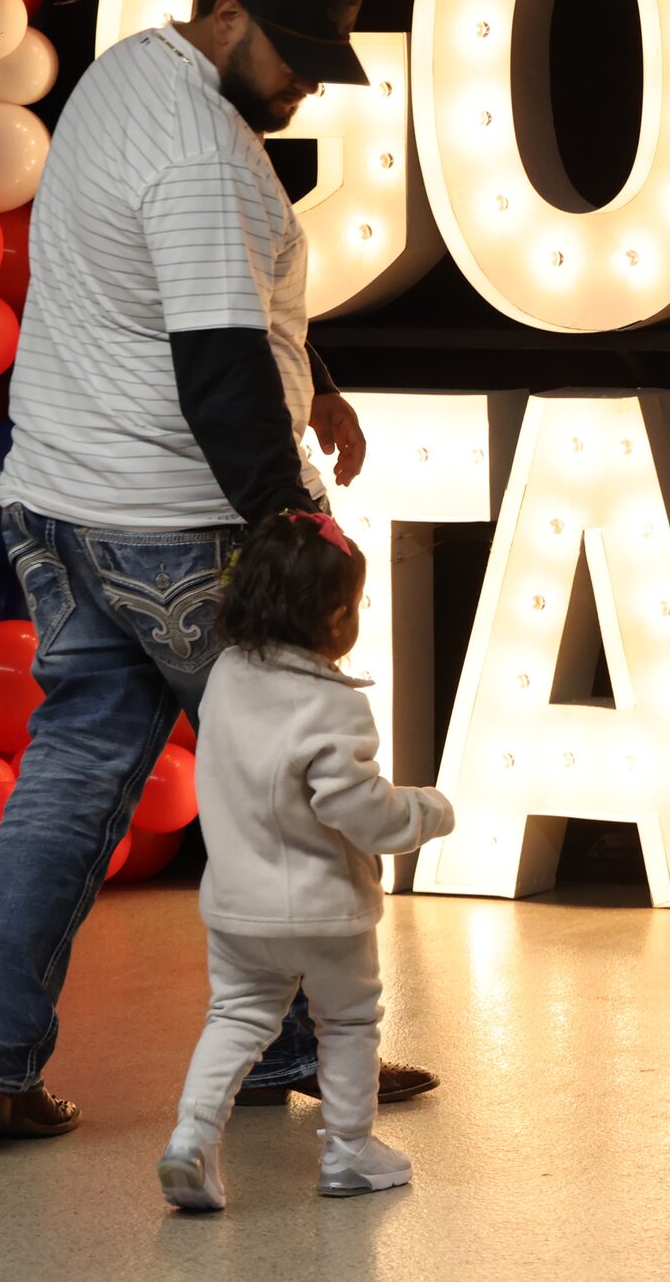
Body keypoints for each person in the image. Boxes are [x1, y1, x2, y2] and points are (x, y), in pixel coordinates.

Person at [0, 0, 429, 1138]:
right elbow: (213, 365)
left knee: (65, 786)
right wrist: (298, 522)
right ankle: (296, 1053)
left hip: (59, 506)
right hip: (178, 529)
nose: (307, 80)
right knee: (293, 788)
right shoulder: (209, 153)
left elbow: (186, 296)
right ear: (224, 16)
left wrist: (309, 373)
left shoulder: (124, 78)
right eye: (294, 52)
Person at [159, 512, 453, 1210]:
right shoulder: (331, 705)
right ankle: (349, 1154)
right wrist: (430, 812)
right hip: (325, 912)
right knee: (347, 1022)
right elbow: (362, 813)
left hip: (235, 902)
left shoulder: (224, 676)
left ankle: (191, 1140)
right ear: (333, 617)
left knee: (234, 1017)